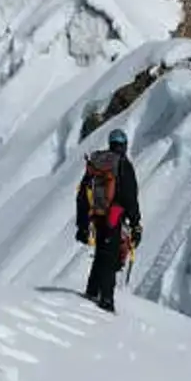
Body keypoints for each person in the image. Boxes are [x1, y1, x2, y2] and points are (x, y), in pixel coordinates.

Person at [75, 128, 142, 312]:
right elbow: (130, 198)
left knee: (102, 252)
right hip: (114, 215)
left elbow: (82, 195)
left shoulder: (97, 163)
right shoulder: (123, 165)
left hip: (97, 215)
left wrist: (82, 224)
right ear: (124, 145)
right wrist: (136, 224)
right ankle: (106, 301)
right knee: (110, 256)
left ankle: (92, 291)